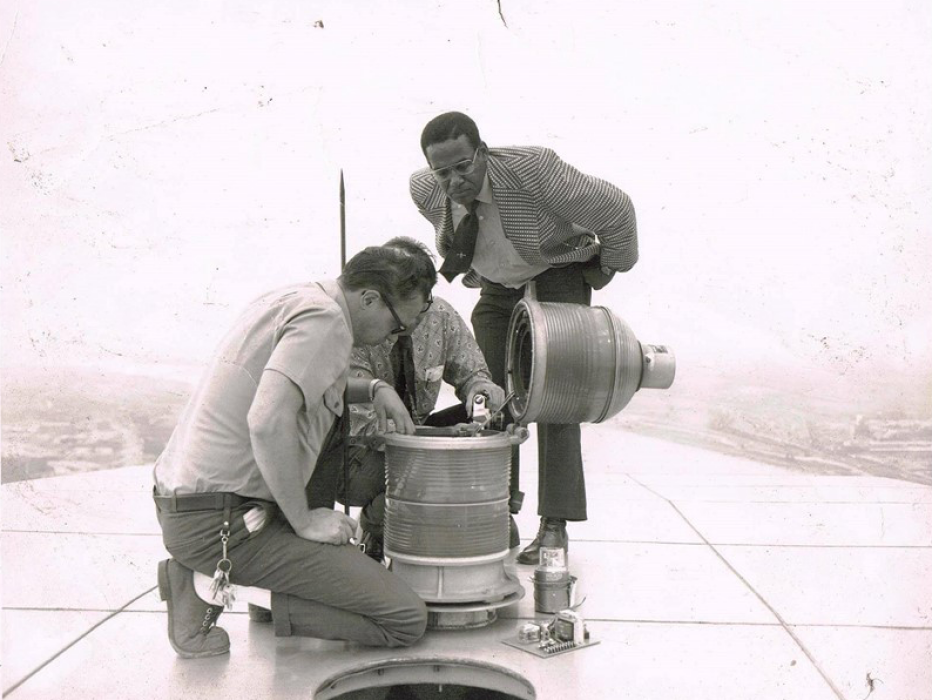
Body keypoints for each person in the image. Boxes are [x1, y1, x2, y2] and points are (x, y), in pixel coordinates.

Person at [152, 246, 434, 658]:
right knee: (404, 619)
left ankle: (218, 577)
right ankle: (198, 585)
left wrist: (374, 387)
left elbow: (299, 383)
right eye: (396, 328)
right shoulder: (327, 322)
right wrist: (304, 522)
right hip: (224, 523)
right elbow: (267, 421)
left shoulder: (295, 299)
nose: (393, 337)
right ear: (370, 298)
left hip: (192, 508)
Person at [409, 111, 638, 565]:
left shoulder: (532, 169)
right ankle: (497, 515)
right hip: (498, 288)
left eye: (464, 166)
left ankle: (555, 524)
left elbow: (616, 209)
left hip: (557, 277)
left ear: (483, 152)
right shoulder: (424, 188)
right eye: (443, 172)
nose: (454, 180)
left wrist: (607, 268)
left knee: (557, 396)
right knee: (490, 398)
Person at [334, 236, 510, 560]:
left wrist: (480, 394)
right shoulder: (356, 326)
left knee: (498, 422)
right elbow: (370, 426)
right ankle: (376, 526)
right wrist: (442, 441)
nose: (411, 317)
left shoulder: (440, 316)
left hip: (417, 435)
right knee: (425, 471)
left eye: (417, 297)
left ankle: (488, 514)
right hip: (359, 450)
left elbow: (474, 374)